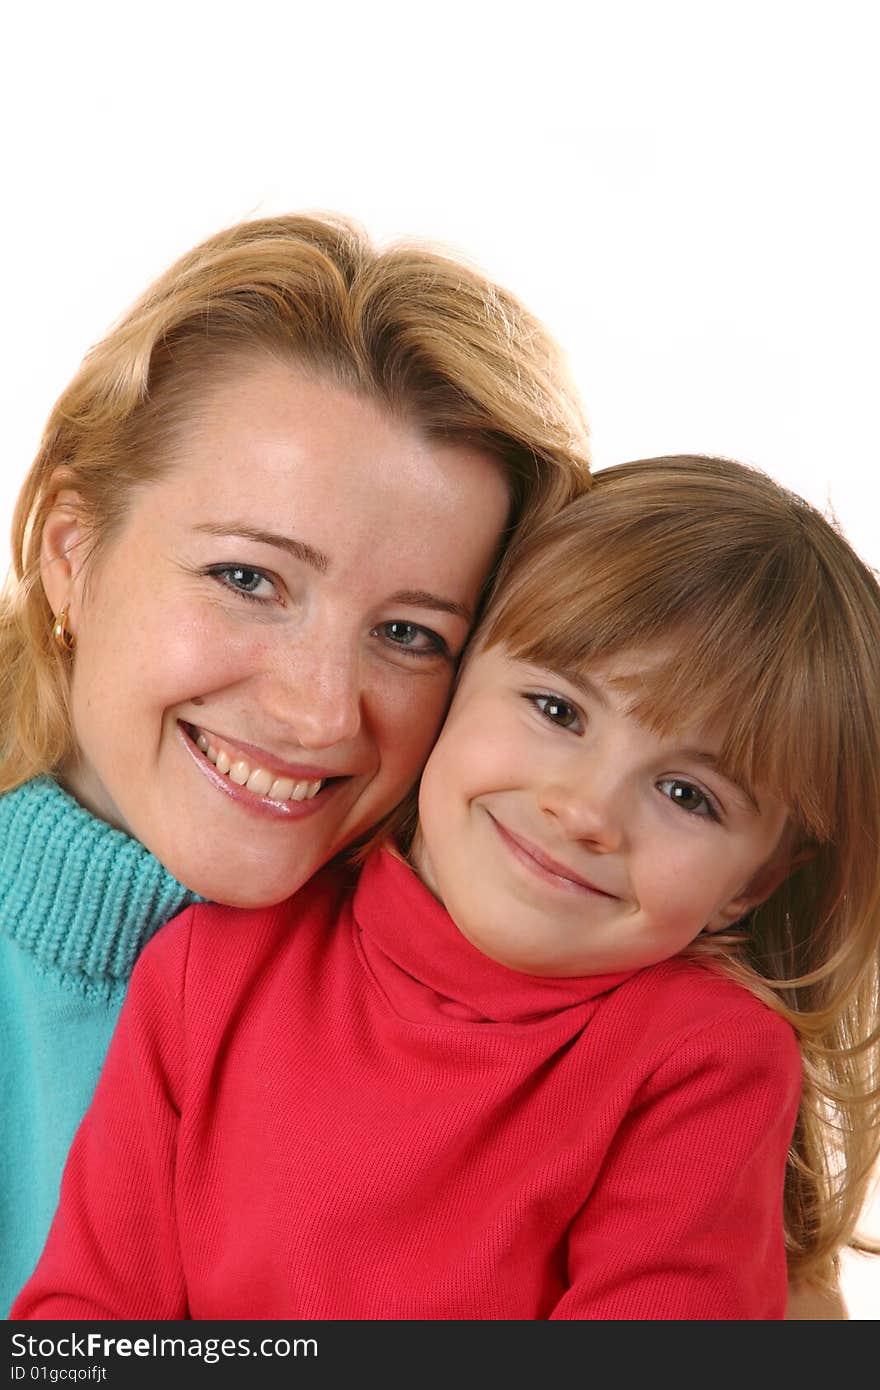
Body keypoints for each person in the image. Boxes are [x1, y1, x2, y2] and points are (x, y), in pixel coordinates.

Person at [14, 455, 880, 1320]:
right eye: (557, 711)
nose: (585, 812)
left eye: (689, 796)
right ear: (455, 684)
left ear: (756, 881)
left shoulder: (704, 1061)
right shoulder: (210, 968)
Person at [0, 212, 593, 1316]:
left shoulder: (594, 1026)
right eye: (248, 578)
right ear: (72, 552)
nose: (320, 713)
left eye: (412, 634)